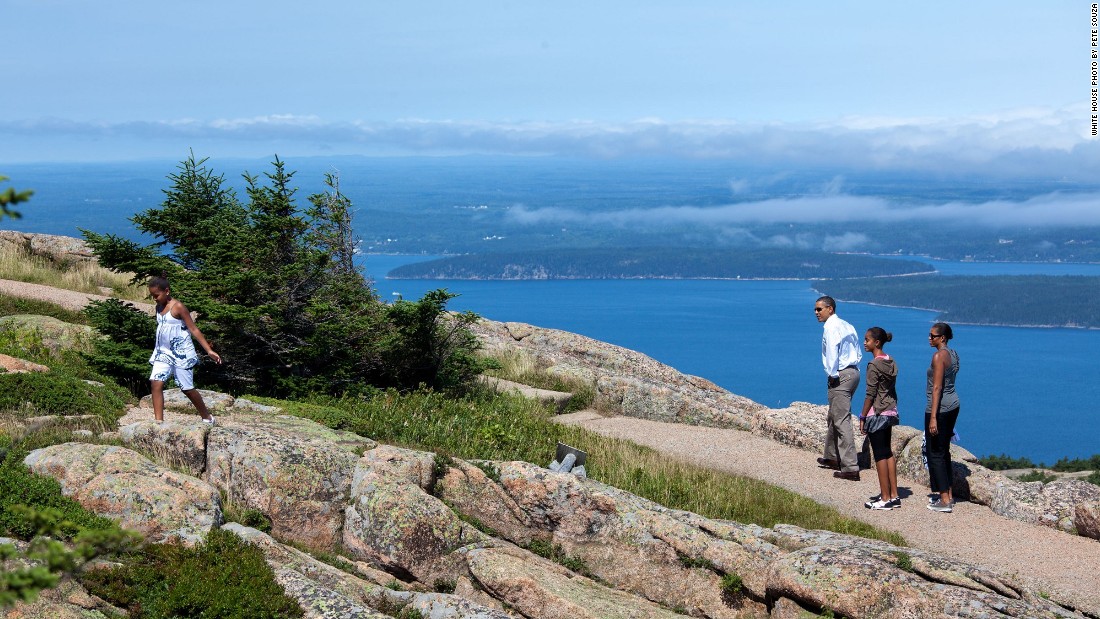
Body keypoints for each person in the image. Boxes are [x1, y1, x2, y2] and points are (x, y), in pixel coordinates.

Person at [147, 276, 222, 424]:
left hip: (181, 353)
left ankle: (207, 417)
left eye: (156, 295)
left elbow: (193, 329)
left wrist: (208, 350)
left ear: (167, 291)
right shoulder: (159, 307)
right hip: (163, 352)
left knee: (186, 388)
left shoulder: (178, 307)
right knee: (156, 383)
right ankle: (158, 422)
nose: (154, 299)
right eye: (152, 296)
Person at [813, 296, 862, 480]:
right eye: (815, 310)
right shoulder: (847, 325)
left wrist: (832, 375)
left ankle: (850, 467)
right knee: (834, 415)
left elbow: (832, 353)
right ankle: (832, 456)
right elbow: (857, 350)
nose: (816, 313)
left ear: (830, 309)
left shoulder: (831, 328)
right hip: (854, 373)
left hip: (840, 375)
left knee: (841, 420)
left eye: (819, 309)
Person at [859, 327, 900, 510]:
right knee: (888, 452)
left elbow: (870, 393)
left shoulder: (874, 365)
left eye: (867, 340)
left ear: (876, 342)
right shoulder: (890, 361)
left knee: (879, 456)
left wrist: (862, 416)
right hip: (891, 410)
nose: (864, 342)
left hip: (877, 413)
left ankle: (884, 498)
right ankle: (894, 495)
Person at [925, 322, 960, 513]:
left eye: (933, 336)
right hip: (953, 404)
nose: (929, 339)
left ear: (942, 338)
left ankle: (944, 500)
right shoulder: (953, 354)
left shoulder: (939, 356)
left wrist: (933, 417)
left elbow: (937, 387)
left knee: (935, 452)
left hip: (940, 408)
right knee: (944, 449)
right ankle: (950, 493)